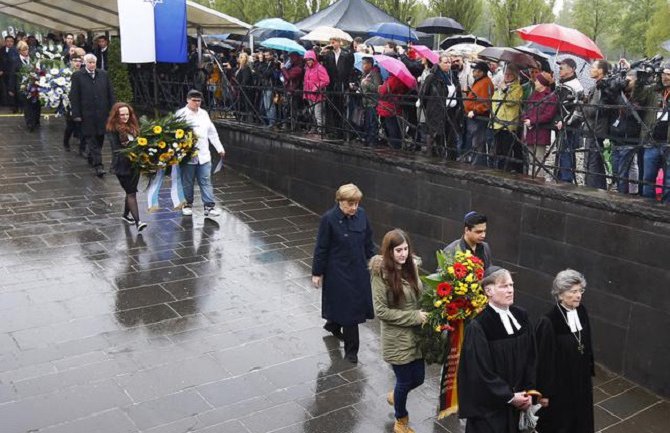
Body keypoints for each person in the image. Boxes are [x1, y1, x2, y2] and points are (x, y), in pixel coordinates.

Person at [457, 266, 537, 433]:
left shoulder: (522, 316)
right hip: (491, 412)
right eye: (503, 286)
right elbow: (479, 372)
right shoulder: (479, 326)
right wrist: (509, 397)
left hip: (520, 402)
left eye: (511, 285)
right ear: (489, 291)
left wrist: (529, 392)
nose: (510, 290)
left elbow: (532, 357)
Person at [370, 229, 427, 433]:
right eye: (398, 250)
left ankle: (396, 395)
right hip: (397, 338)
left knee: (419, 378)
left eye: (405, 249)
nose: (403, 254)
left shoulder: (412, 266)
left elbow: (419, 293)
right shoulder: (380, 274)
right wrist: (414, 317)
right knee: (404, 381)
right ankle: (400, 420)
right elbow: (381, 311)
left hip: (416, 335)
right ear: (389, 251)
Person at [311, 183, 375, 364]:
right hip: (338, 272)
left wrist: (375, 260)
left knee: (349, 306)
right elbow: (321, 248)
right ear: (340, 201)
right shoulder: (328, 219)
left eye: (356, 203)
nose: (354, 208)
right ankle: (351, 351)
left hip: (358, 270)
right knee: (350, 311)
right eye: (350, 204)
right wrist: (317, 272)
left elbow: (368, 240)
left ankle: (332, 324)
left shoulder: (362, 215)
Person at [535, 269, 594, 433]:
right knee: (562, 423)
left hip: (581, 380)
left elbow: (586, 343)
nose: (578, 295)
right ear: (560, 294)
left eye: (580, 291)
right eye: (573, 291)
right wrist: (543, 393)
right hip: (560, 386)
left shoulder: (582, 311)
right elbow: (543, 360)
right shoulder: (549, 321)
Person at [176, 89, 226, 217]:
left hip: (204, 154)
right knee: (187, 181)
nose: (197, 103)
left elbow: (212, 132)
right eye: (194, 100)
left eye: (199, 101)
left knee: (206, 180)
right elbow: (174, 135)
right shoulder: (181, 114)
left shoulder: (204, 114)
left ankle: (209, 206)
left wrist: (219, 148)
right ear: (188, 100)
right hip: (188, 156)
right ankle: (187, 204)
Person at [69, 53, 115, 177]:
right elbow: (74, 96)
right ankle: (98, 165)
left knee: (100, 138)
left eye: (93, 62)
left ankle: (92, 156)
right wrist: (76, 114)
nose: (92, 64)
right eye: (89, 62)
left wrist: (113, 111)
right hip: (86, 114)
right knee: (91, 138)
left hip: (102, 113)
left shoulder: (103, 75)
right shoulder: (78, 76)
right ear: (85, 63)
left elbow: (110, 93)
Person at [105, 102, 147, 232]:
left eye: (127, 114)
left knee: (131, 191)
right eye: (122, 114)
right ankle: (138, 222)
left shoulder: (133, 126)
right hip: (122, 166)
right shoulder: (112, 129)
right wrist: (132, 148)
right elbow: (116, 149)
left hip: (135, 164)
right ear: (116, 115)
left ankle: (125, 215)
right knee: (131, 193)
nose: (125, 117)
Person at [581, 60, 615, 190]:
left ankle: (592, 189)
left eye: (594, 67)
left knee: (592, 161)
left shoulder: (601, 87)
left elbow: (594, 110)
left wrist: (583, 104)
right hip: (594, 128)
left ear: (601, 71)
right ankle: (598, 187)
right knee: (595, 161)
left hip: (596, 129)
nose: (591, 69)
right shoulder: (596, 87)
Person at [419, 54, 461, 159]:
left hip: (451, 110)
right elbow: (423, 93)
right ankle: (434, 155)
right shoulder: (432, 77)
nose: (448, 64)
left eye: (449, 62)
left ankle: (450, 156)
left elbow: (458, 93)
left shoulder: (453, 77)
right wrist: (429, 106)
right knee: (436, 133)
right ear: (439, 63)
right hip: (436, 109)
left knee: (450, 134)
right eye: (445, 62)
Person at [640, 62, 670, 202]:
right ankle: (648, 205)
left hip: (668, 144)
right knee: (648, 178)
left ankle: (665, 209)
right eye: (664, 74)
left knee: (668, 181)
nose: (666, 77)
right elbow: (638, 97)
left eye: (669, 74)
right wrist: (642, 79)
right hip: (652, 141)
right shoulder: (654, 90)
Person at [522, 73, 559, 178]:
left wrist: (532, 121)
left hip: (541, 132)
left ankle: (537, 180)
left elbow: (548, 115)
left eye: (537, 81)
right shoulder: (533, 94)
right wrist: (525, 118)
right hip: (530, 130)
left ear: (542, 83)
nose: (535, 82)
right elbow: (526, 108)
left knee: (538, 158)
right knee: (530, 158)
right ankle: (531, 178)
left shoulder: (551, 97)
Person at [555, 58, 584, 183]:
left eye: (563, 67)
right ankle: (560, 175)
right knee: (561, 150)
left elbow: (578, 110)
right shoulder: (562, 84)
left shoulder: (575, 86)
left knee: (566, 151)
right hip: (560, 124)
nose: (560, 69)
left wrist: (566, 122)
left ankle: (566, 179)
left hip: (569, 126)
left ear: (572, 69)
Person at [491, 64, 524, 171]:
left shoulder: (517, 88)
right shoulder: (500, 86)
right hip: (497, 122)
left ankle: (506, 169)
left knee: (507, 149)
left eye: (510, 74)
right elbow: (494, 102)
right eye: (506, 74)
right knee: (498, 149)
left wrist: (505, 90)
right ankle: (499, 168)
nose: (507, 76)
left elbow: (511, 102)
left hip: (508, 123)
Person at [322, 37, 354, 139]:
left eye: (334, 42)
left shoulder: (346, 54)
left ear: (339, 43)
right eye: (331, 42)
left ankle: (343, 131)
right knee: (333, 107)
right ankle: (335, 130)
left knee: (343, 107)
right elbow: (320, 62)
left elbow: (350, 69)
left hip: (342, 84)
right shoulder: (329, 55)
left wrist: (348, 82)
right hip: (332, 84)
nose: (332, 44)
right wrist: (323, 51)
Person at [462, 61, 494, 164]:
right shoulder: (480, 81)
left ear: (481, 72)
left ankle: (477, 162)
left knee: (477, 140)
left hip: (478, 116)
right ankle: (474, 160)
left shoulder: (485, 83)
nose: (473, 73)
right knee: (474, 139)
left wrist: (476, 111)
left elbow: (486, 102)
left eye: (475, 71)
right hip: (473, 115)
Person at [378, 74, 409, 149]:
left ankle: (395, 146)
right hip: (395, 105)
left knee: (391, 127)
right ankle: (397, 144)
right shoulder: (400, 78)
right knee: (395, 126)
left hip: (389, 106)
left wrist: (380, 87)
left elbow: (383, 91)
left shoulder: (393, 79)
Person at [16, 40, 41, 132]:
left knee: (37, 104)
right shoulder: (16, 61)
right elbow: (13, 75)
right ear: (19, 51)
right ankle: (30, 123)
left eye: (27, 49)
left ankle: (36, 120)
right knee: (27, 105)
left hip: (35, 85)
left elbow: (39, 70)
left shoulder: (33, 59)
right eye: (24, 50)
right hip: (24, 87)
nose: (26, 51)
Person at [303, 50, 330, 134]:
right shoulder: (307, 69)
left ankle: (321, 130)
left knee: (318, 113)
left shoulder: (320, 68)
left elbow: (326, 80)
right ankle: (314, 128)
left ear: (314, 59)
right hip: (309, 94)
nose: (308, 61)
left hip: (317, 95)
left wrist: (316, 87)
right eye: (307, 60)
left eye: (310, 59)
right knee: (312, 112)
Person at [63, 50, 85, 151]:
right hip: (69, 103)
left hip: (82, 103)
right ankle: (66, 142)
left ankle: (82, 147)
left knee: (82, 125)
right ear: (71, 61)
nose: (77, 63)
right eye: (75, 60)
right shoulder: (66, 73)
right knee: (70, 125)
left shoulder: (83, 73)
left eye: (79, 61)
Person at [359, 57, 382, 146]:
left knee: (372, 122)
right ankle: (367, 139)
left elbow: (377, 88)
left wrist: (366, 83)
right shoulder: (364, 75)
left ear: (369, 64)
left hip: (373, 102)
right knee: (367, 122)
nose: (362, 66)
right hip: (366, 102)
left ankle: (372, 140)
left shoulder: (375, 74)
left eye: (364, 64)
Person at [234, 52, 254, 123]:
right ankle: (242, 117)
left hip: (246, 90)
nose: (240, 59)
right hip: (241, 90)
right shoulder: (240, 68)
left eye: (241, 57)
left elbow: (245, 79)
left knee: (246, 104)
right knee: (241, 104)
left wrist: (241, 85)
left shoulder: (246, 68)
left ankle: (247, 119)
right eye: (240, 57)